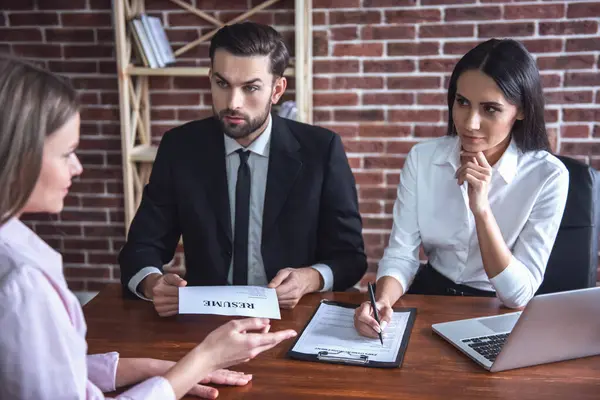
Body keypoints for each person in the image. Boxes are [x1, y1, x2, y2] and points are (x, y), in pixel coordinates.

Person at [0, 55, 297, 399]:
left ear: (277, 90)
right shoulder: (22, 282)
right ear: (17, 155)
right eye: (67, 153)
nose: (78, 167)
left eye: (250, 87)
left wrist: (161, 369)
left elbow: (45, 367)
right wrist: (204, 358)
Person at [119, 22, 367, 316]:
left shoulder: (321, 150)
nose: (233, 103)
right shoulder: (180, 148)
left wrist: (308, 279)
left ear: (277, 90)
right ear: (210, 78)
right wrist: (152, 283)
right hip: (206, 320)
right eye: (222, 84)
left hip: (294, 316)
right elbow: (141, 246)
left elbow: (351, 257)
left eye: (250, 88)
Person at [354, 39, 569, 338]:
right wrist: (382, 302)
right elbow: (402, 253)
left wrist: (481, 209)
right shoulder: (423, 158)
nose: (470, 123)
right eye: (462, 102)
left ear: (520, 110)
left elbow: (517, 295)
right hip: (430, 296)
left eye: (490, 109)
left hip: (496, 309)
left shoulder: (548, 175)